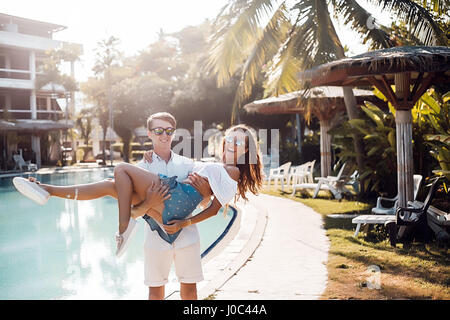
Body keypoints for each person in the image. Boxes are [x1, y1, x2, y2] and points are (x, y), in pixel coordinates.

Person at [13, 113, 263, 300]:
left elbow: (212, 201)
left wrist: (193, 210)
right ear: (150, 134)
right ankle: (49, 191)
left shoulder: (196, 165)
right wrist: (149, 202)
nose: (164, 135)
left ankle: (123, 229)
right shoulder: (147, 166)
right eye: (230, 139)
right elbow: (137, 208)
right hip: (160, 220)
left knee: (119, 171)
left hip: (181, 222)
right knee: (111, 185)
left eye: (169, 131)